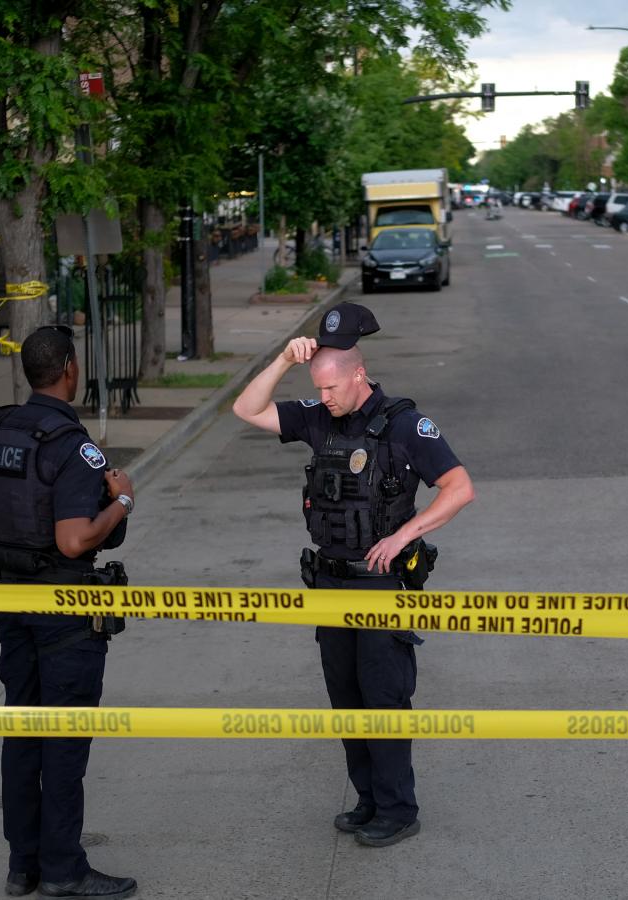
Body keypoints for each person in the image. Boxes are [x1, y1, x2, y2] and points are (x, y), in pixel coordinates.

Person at [231, 302, 475, 848]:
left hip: (380, 585)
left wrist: (404, 535)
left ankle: (397, 808)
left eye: (331, 388)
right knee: (346, 698)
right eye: (317, 388)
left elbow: (460, 488)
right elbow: (246, 409)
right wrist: (283, 360)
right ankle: (368, 799)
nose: (324, 398)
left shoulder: (406, 425)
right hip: (330, 584)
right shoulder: (319, 418)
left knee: (383, 698)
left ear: (359, 374)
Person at [0, 325, 138, 900]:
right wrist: (123, 500)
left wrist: (24, 507)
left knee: (22, 734)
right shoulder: (73, 446)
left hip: (12, 607)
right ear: (70, 369)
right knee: (64, 741)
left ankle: (22, 866)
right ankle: (62, 869)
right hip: (65, 613)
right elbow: (75, 540)